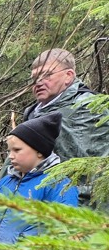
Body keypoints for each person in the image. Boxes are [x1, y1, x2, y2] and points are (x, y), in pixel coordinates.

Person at [0, 112, 78, 250]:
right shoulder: (6, 182)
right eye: (9, 151)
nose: (11, 156)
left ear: (39, 151)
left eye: (17, 150)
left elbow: (62, 230)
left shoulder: (58, 184)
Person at [21, 48, 109, 205]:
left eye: (46, 75)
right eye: (34, 78)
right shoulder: (32, 113)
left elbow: (101, 170)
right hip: (34, 204)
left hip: (76, 208)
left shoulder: (88, 108)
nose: (38, 82)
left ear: (68, 76)